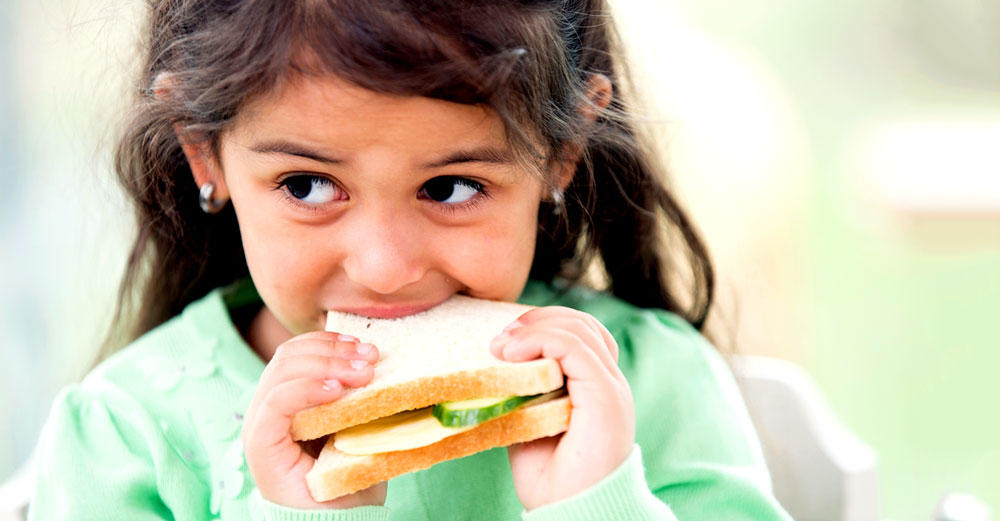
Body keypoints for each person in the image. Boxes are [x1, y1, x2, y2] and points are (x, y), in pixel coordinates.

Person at [29, 0, 792, 519]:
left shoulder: (653, 384)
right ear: (206, 156)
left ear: (562, 154)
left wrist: (596, 502)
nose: (385, 265)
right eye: (307, 185)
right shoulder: (126, 431)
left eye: (452, 186)